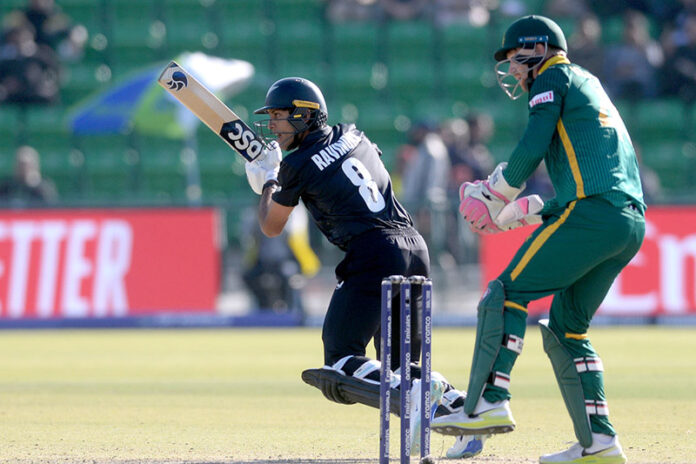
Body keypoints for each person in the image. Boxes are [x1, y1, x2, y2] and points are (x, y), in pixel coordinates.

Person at [431, 15, 645, 464]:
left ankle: (488, 401)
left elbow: (532, 144)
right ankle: (599, 442)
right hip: (626, 222)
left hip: (592, 212)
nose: (510, 70)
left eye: (513, 59)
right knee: (568, 328)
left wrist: (493, 194)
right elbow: (577, 181)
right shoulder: (587, 84)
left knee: (505, 291)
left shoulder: (553, 76)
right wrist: (512, 213)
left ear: (535, 50)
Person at [244, 77, 485, 459]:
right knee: (398, 367)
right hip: (414, 248)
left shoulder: (298, 165)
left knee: (341, 359)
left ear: (305, 116)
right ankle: (464, 418)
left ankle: (424, 391)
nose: (273, 125)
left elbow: (271, 226)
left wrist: (268, 182)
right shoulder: (353, 135)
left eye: (279, 116)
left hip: (374, 253)